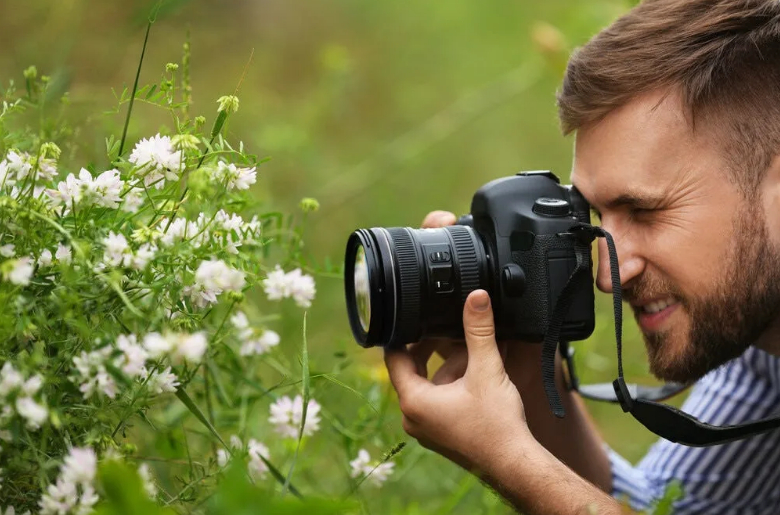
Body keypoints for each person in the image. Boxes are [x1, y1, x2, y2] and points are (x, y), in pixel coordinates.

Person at [383, 0, 780, 513]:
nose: (608, 276)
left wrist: (510, 461)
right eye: (594, 216)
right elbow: (670, 508)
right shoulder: (762, 346)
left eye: (643, 210)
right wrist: (525, 365)